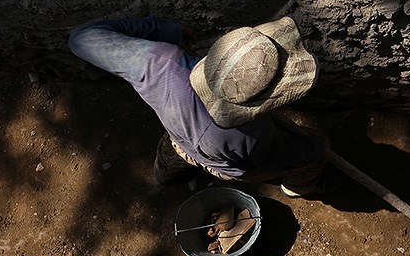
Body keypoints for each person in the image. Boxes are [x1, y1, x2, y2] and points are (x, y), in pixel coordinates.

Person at [67, 15, 329, 198]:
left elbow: (82, 38)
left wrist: (166, 30)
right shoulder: (251, 134)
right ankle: (299, 188)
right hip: (226, 166)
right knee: (313, 153)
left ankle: (162, 176)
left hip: (177, 140)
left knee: (173, 155)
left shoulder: (161, 63)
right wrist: (315, 147)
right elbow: (275, 156)